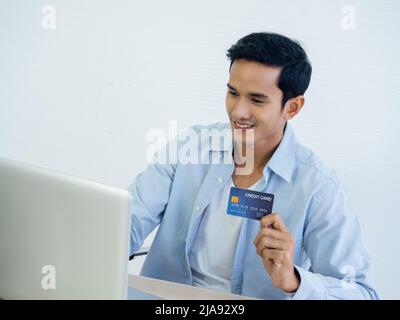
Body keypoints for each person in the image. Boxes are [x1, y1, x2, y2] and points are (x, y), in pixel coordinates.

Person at [128, 32, 378, 299]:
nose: (238, 112)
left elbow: (361, 293)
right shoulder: (190, 149)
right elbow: (127, 225)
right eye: (233, 93)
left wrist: (293, 280)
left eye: (257, 100)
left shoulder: (319, 187)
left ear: (292, 107)